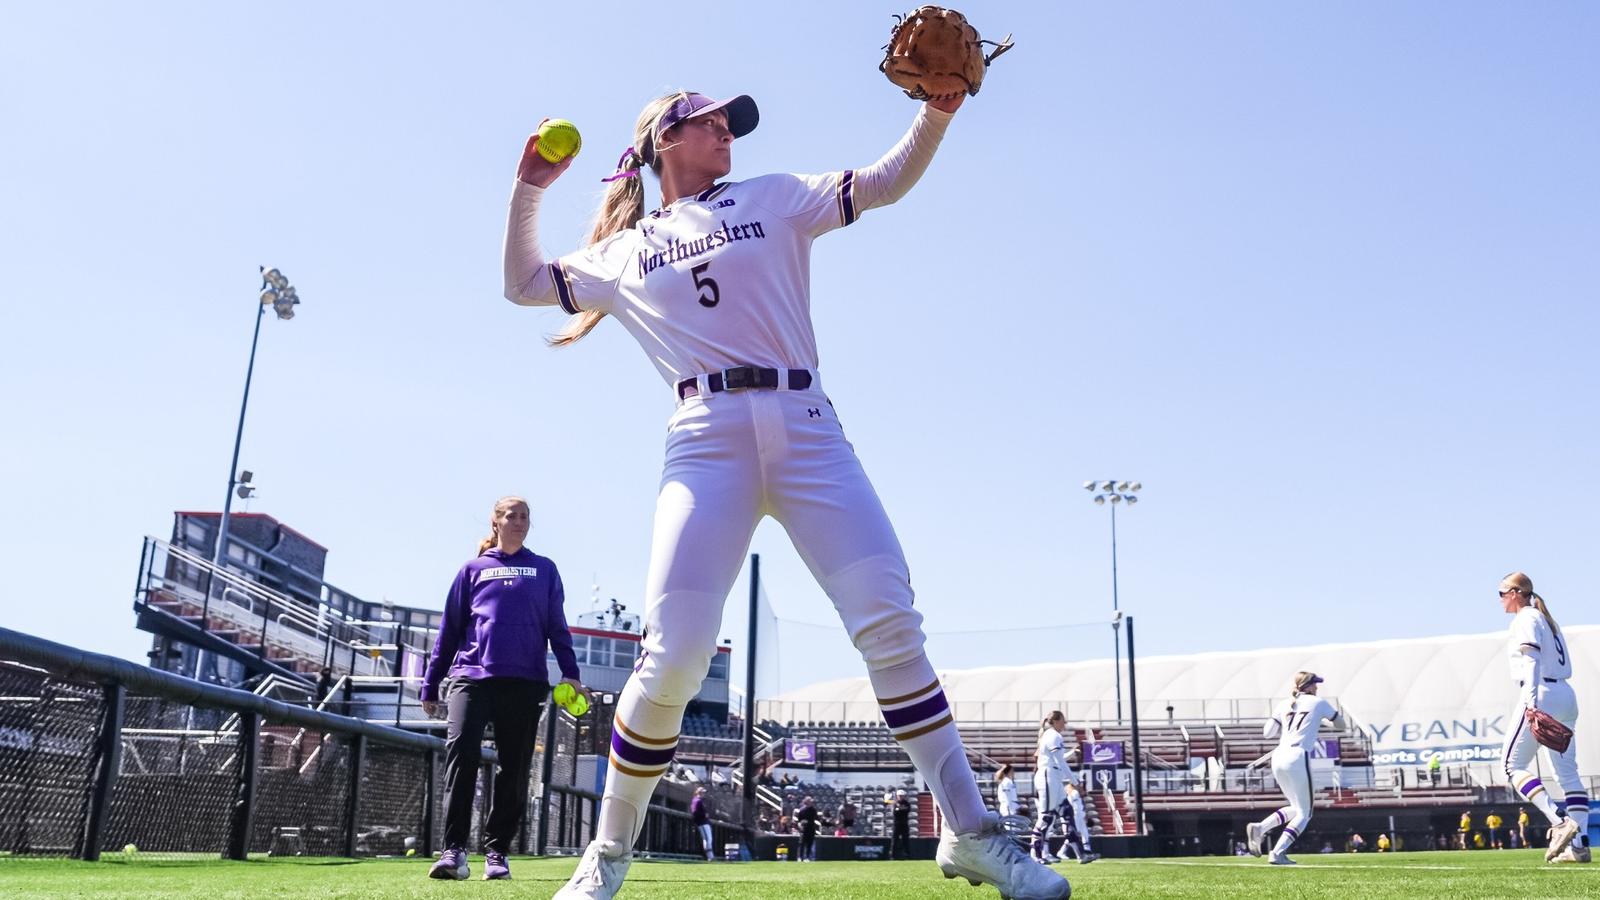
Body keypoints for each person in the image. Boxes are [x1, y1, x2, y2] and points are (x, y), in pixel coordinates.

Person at [506, 77, 1068, 900]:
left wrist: (936, 110)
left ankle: (972, 834)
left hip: (806, 424)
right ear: (666, 138)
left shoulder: (771, 196)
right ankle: (609, 853)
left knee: (890, 623)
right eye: (709, 123)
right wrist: (530, 186)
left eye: (730, 124)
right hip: (704, 442)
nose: (727, 131)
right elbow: (523, 283)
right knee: (674, 655)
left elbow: (883, 181)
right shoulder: (623, 252)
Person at [419, 497, 585, 881]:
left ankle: (497, 853)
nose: (518, 521)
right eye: (511, 515)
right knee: (461, 755)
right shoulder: (472, 570)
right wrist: (431, 684)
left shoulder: (544, 570)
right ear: (496, 522)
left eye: (524, 516)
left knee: (515, 768)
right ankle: (454, 852)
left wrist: (571, 673)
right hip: (471, 677)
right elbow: (449, 631)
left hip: (524, 682)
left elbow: (557, 627)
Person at [1497, 572, 1587, 864]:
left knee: (1512, 765)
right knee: (1568, 775)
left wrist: (1530, 701)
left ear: (1515, 592)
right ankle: (1580, 846)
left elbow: (1531, 659)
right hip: (1565, 695)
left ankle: (1559, 821)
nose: (1499, 599)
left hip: (1542, 692)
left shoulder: (1525, 618)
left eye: (1501, 593)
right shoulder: (1546, 619)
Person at [1245, 672, 1342, 865]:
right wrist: (1319, 720)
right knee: (1306, 813)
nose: (1317, 688)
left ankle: (1260, 828)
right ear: (1309, 686)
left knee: (1296, 808)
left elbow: (1268, 733)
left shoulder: (1283, 704)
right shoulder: (1319, 703)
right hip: (1297, 756)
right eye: (1315, 684)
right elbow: (1341, 726)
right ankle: (1277, 853)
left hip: (1278, 756)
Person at [1031, 712, 1070, 863]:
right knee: (1046, 817)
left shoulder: (1047, 736)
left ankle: (1042, 853)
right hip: (1047, 778)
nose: (1065, 724)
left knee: (1050, 818)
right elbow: (1058, 760)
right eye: (1063, 721)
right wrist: (1075, 781)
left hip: (1049, 778)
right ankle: (1036, 852)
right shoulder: (1052, 736)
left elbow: (1058, 759)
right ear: (1056, 721)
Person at [796, 796, 823, 862]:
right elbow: (799, 820)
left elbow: (816, 818)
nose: (811, 802)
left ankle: (807, 857)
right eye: (810, 801)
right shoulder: (802, 810)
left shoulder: (813, 810)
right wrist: (800, 826)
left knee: (809, 844)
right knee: (802, 843)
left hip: (811, 828)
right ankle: (800, 857)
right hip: (804, 829)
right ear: (806, 801)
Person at [691, 787, 714, 861]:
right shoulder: (697, 801)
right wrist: (704, 815)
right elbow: (694, 812)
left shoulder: (700, 801)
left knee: (706, 839)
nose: (704, 794)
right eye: (702, 792)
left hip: (704, 822)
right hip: (702, 822)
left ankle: (709, 856)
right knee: (708, 839)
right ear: (698, 793)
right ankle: (710, 856)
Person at [891, 789, 913, 860]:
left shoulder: (907, 803)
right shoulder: (894, 804)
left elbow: (907, 810)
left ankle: (907, 855)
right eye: (899, 796)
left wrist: (899, 809)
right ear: (897, 796)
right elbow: (895, 812)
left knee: (905, 840)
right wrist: (901, 809)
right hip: (896, 825)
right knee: (894, 841)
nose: (900, 797)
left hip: (904, 824)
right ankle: (892, 856)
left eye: (902, 796)